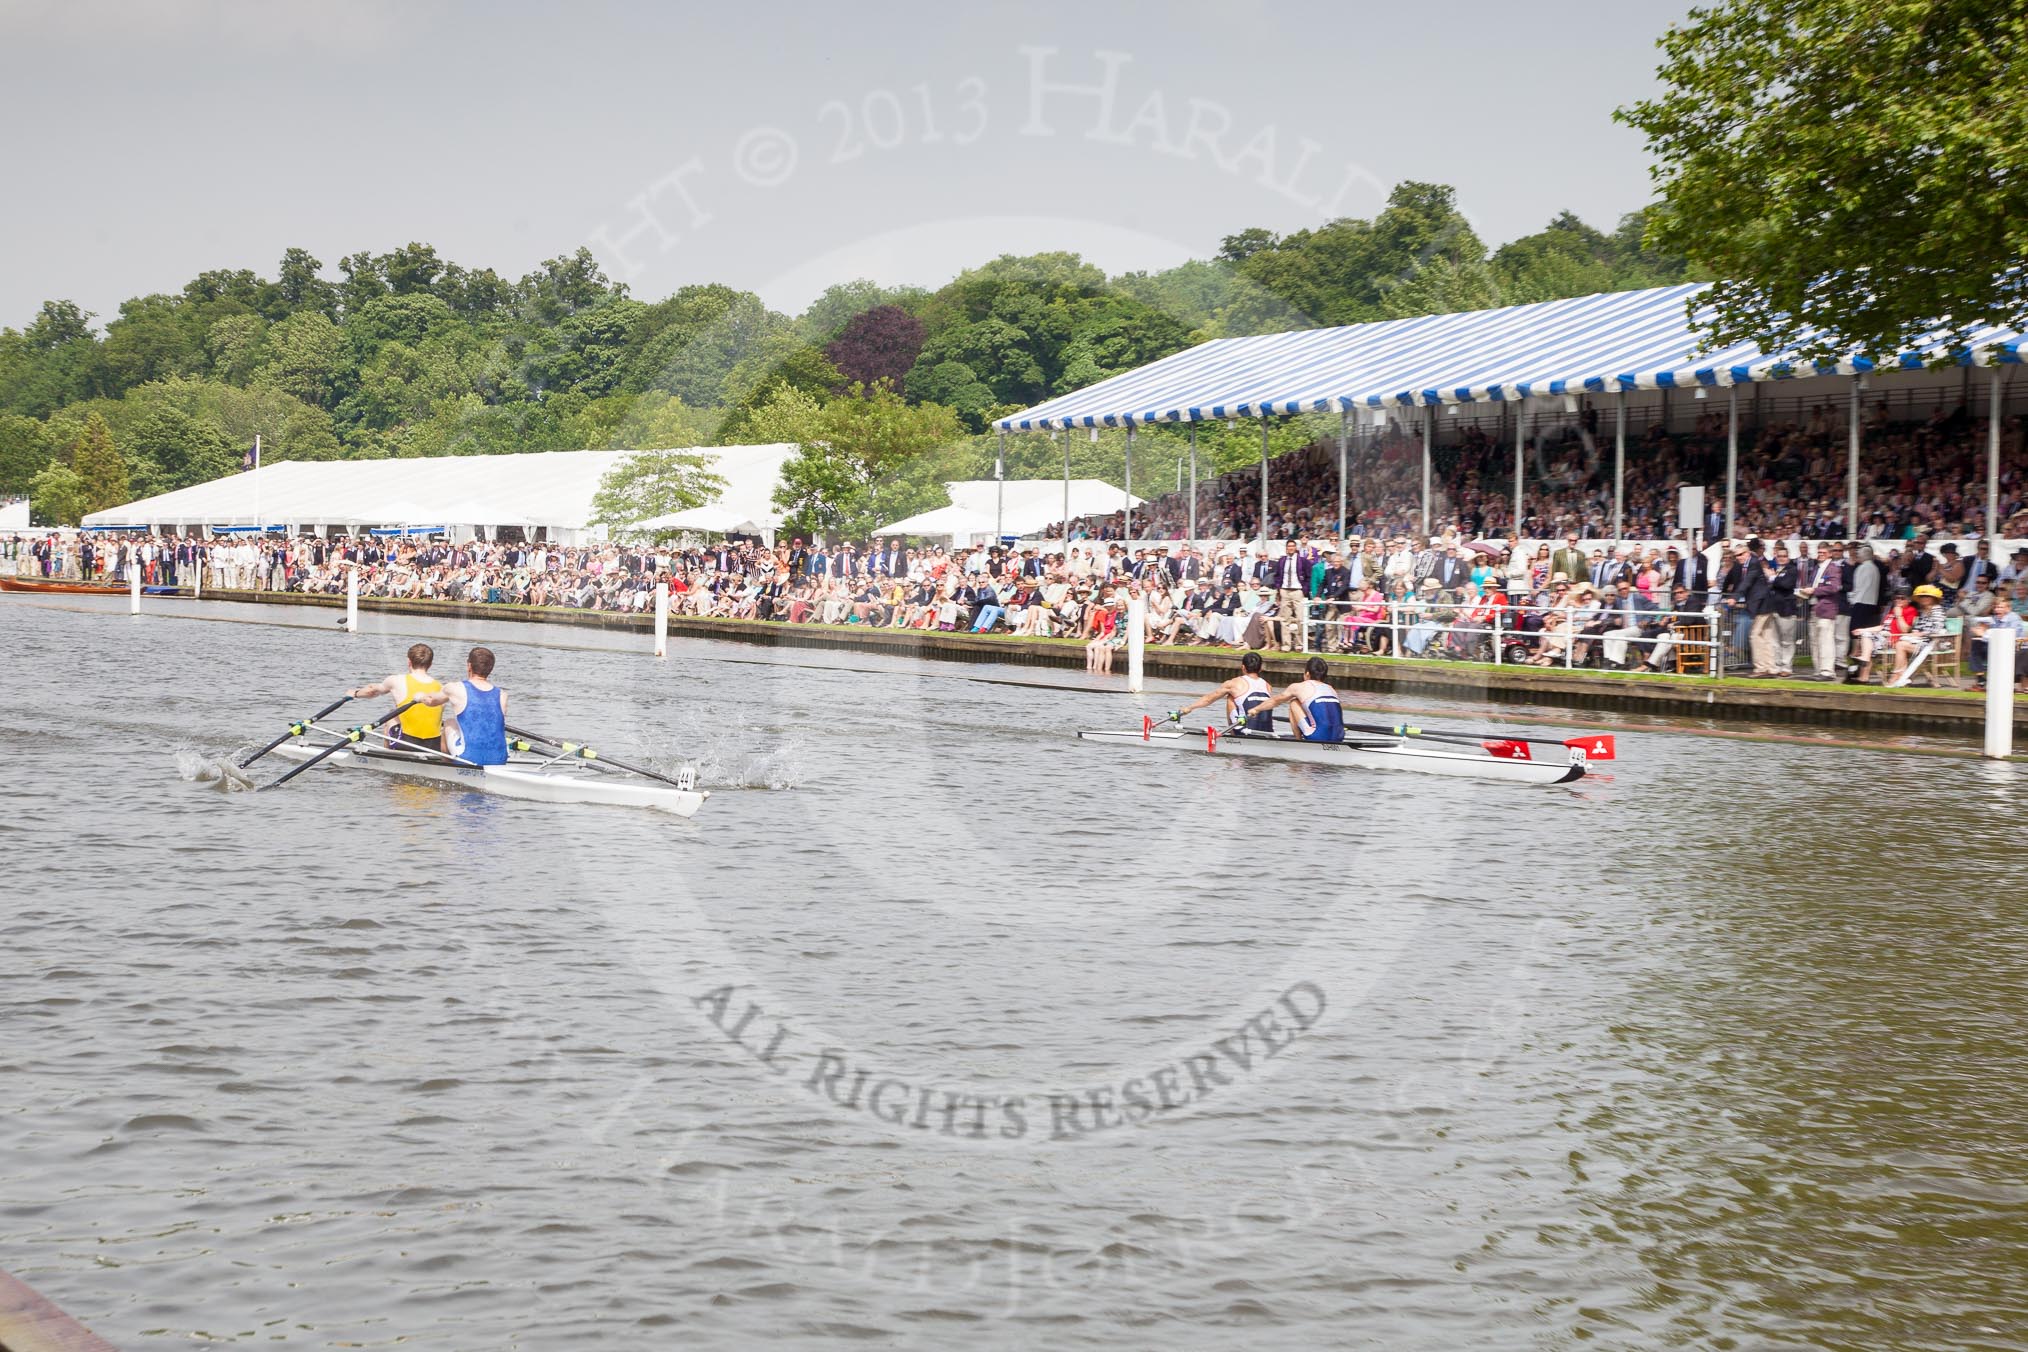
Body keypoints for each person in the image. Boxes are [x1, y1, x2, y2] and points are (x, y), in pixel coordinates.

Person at [414, 645, 509, 765]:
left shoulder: (455, 688)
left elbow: (431, 701)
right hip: (500, 759)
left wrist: (420, 697)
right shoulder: (502, 695)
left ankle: (447, 767)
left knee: (449, 723)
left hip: (468, 758)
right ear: (491, 669)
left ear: (469, 666)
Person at [349, 642, 444, 753]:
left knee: (392, 716)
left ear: (409, 662)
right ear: (430, 664)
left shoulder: (397, 680)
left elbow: (372, 691)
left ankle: (387, 756)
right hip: (434, 747)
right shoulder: (441, 687)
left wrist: (354, 693)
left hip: (407, 744)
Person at [1166, 650, 1275, 731]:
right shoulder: (1268, 686)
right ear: (1260, 668)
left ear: (1243, 668)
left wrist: (1188, 708)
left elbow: (1209, 699)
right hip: (1267, 732)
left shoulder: (1233, 684)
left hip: (1245, 733)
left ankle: (1232, 733)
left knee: (1231, 697)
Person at [1249, 656, 1346, 743]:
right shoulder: (1331, 689)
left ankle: (1298, 741)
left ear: (1307, 674)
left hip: (1318, 736)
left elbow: (1275, 701)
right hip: (1339, 736)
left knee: (1294, 702)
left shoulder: (1299, 687)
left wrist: (1256, 709)